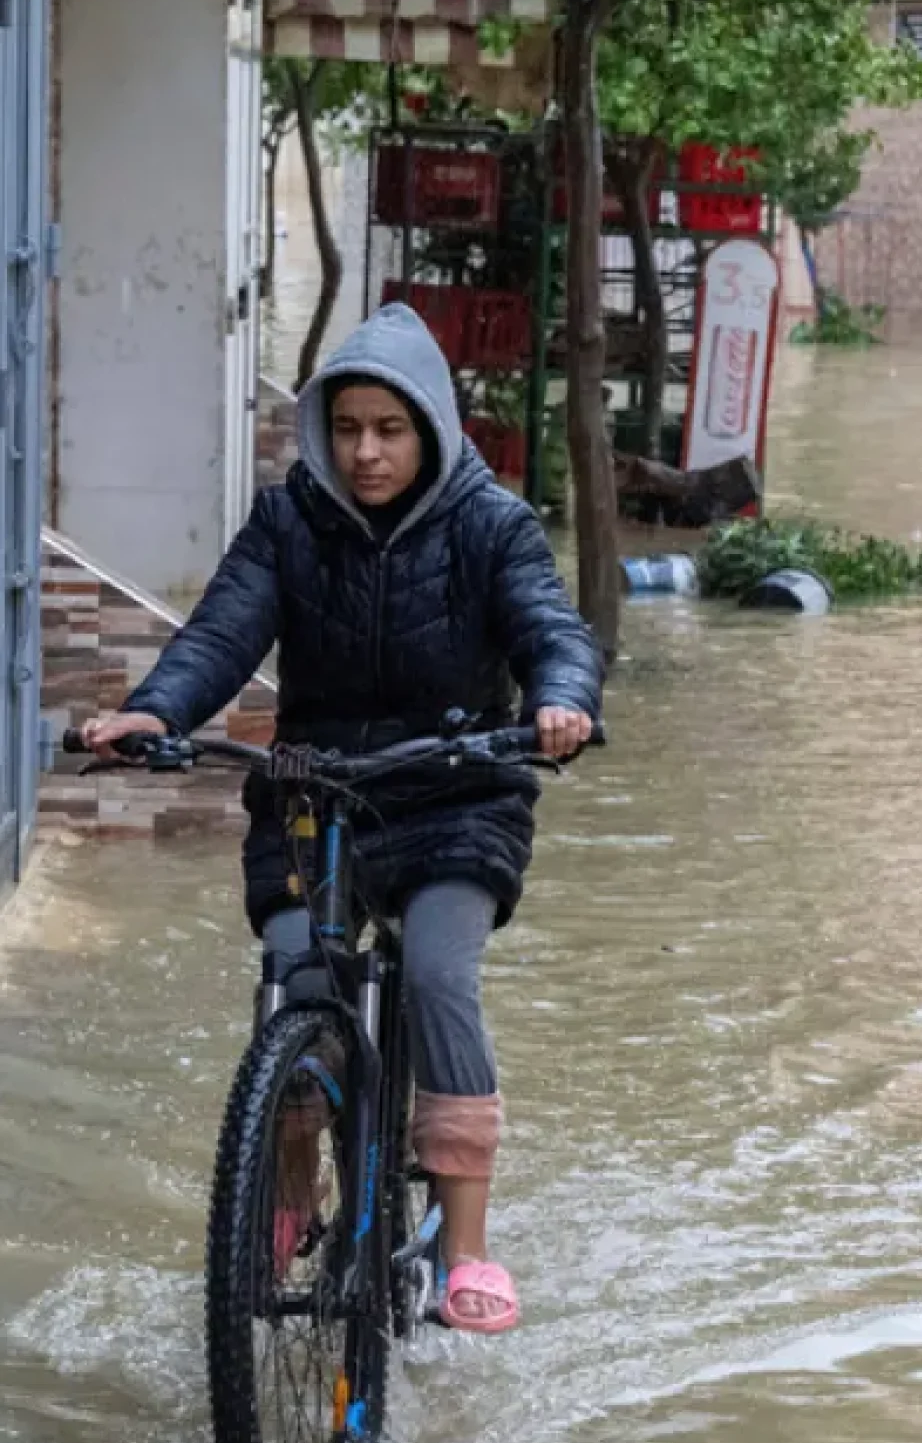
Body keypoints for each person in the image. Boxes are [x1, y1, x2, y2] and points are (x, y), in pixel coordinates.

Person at [83, 303, 603, 1335]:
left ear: (431, 430)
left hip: (455, 792)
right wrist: (156, 707)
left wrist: (561, 698)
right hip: (313, 793)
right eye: (349, 428)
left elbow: (552, 625)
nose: (366, 451)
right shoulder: (288, 521)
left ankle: (464, 1250)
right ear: (325, 429)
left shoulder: (492, 523)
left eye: (390, 429)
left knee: (439, 976)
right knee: (294, 986)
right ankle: (287, 1190)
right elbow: (222, 629)